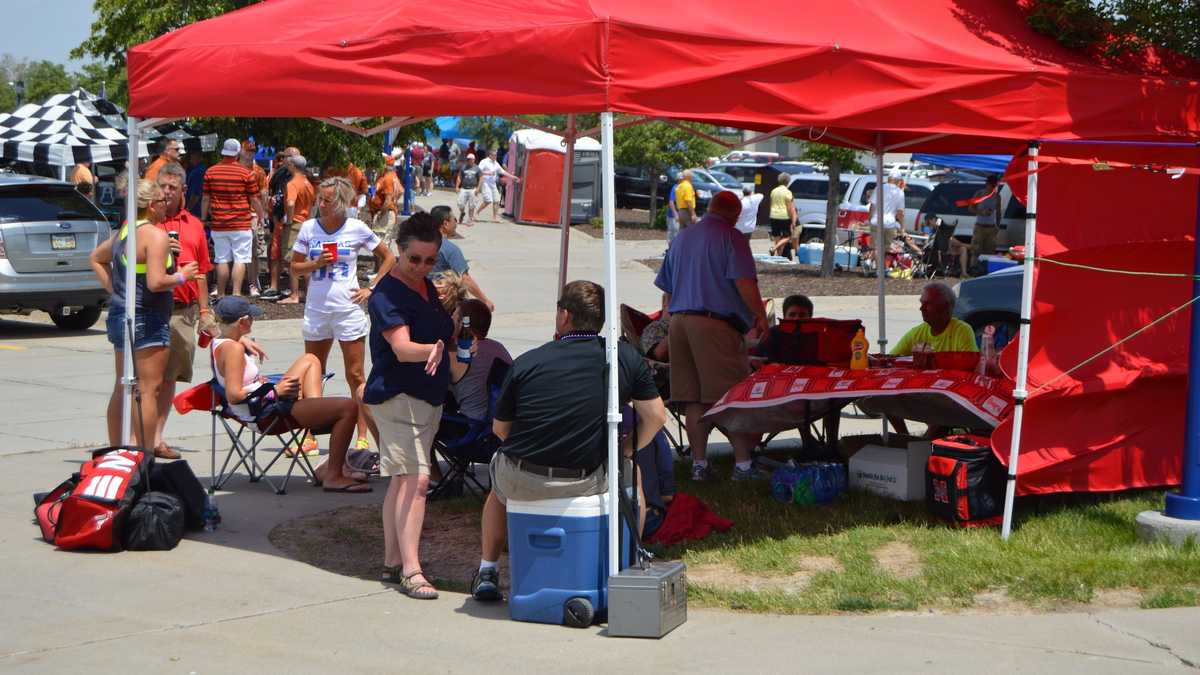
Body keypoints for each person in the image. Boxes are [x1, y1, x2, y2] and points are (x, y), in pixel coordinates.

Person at [470, 280, 667, 601]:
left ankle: (488, 571)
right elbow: (656, 416)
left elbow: (501, 430)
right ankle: (630, 564)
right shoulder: (622, 358)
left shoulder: (527, 362)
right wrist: (628, 450)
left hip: (523, 478)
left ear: (564, 315)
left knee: (497, 488)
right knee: (635, 474)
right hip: (585, 479)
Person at [362, 211, 455, 600]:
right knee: (417, 481)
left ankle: (391, 561)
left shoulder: (426, 288)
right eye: (414, 259)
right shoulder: (387, 294)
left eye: (430, 260)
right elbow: (401, 348)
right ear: (398, 251)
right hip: (397, 395)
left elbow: (440, 333)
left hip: (426, 397)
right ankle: (412, 571)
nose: (421, 267)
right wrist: (431, 349)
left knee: (403, 480)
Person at [654, 190, 769, 482]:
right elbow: (745, 283)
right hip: (714, 324)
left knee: (693, 400)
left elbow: (666, 289)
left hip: (679, 323)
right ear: (734, 214)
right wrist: (759, 316)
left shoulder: (682, 237)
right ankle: (743, 466)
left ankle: (699, 465)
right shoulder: (732, 238)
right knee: (731, 397)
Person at [209, 296, 366, 492]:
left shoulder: (220, 341)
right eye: (251, 318)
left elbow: (212, 329)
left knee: (311, 359)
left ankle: (315, 416)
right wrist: (274, 391)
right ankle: (333, 475)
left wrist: (241, 338)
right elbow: (234, 395)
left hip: (260, 403)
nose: (253, 321)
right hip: (263, 413)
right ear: (242, 322)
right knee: (348, 407)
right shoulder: (232, 349)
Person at [90, 179, 199, 454]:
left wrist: (117, 289)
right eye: (162, 201)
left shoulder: (125, 232)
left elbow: (96, 258)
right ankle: (143, 453)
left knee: (122, 385)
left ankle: (117, 451)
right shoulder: (155, 235)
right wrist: (181, 276)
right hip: (148, 316)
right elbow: (155, 282)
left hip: (120, 312)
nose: (166, 205)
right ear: (151, 206)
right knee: (149, 389)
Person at [290, 176, 396, 452]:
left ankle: (362, 435)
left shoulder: (356, 227)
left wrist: (371, 288)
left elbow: (389, 257)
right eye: (319, 199)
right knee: (313, 371)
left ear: (341, 203)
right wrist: (316, 262)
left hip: (348, 309)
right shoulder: (309, 228)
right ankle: (309, 435)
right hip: (317, 308)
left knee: (356, 374)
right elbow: (295, 267)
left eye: (326, 200)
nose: (320, 204)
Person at [152, 161, 218, 460]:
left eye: (172, 188)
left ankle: (155, 438)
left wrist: (205, 312)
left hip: (184, 311)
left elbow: (202, 272)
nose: (166, 193)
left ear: (183, 191)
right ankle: (139, 438)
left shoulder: (194, 226)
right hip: (152, 307)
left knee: (169, 378)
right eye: (162, 187)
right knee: (147, 378)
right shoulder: (148, 223)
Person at [202, 138, 259, 298]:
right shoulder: (246, 173)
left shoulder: (210, 172)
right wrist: (262, 215)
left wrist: (203, 218)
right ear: (237, 152)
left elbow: (206, 198)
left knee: (221, 259)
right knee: (241, 258)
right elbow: (255, 199)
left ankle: (220, 293)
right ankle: (236, 293)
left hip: (219, 223)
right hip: (241, 223)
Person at [448, 299, 511, 422]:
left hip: (469, 426)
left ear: (462, 324)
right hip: (498, 424)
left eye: (453, 317)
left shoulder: (455, 354)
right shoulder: (498, 347)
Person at [429, 205, 495, 311]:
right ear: (445, 224)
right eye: (454, 219)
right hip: (444, 304)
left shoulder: (422, 244)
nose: (456, 223)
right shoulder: (450, 249)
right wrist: (485, 300)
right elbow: (465, 279)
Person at [890, 282, 978, 357]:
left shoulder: (962, 331)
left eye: (928, 304)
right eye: (922, 303)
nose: (921, 308)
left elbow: (971, 366)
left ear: (945, 306)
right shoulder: (917, 334)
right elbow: (891, 359)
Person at [276, 156, 316, 304]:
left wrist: (289, 220)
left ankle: (294, 295)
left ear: (292, 165)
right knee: (305, 260)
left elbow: (291, 203)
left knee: (293, 260)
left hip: (295, 224)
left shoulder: (292, 183)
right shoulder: (308, 182)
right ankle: (309, 293)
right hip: (306, 223)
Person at [265, 147, 299, 300]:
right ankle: (274, 286)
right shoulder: (279, 175)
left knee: (294, 255)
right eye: (287, 157)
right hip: (278, 219)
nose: (289, 160)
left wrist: (290, 220)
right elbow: (272, 194)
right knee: (275, 252)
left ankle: (295, 291)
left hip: (295, 221)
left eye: (293, 157)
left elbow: (295, 203)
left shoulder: (301, 177)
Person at [239, 140, 269, 298]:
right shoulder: (235, 169)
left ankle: (253, 282)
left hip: (252, 215)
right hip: (237, 214)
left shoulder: (258, 171)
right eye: (247, 150)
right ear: (241, 151)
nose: (250, 153)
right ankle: (239, 283)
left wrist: (262, 214)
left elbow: (264, 193)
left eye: (252, 150)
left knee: (253, 251)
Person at [474, 148, 520, 222]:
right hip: (485, 183)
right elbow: (478, 171)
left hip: (493, 184)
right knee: (488, 200)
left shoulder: (495, 163)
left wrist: (512, 177)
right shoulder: (484, 161)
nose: (496, 156)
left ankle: (494, 218)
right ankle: (476, 213)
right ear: (490, 155)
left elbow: (502, 171)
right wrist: (488, 173)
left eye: (496, 155)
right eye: (494, 155)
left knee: (497, 200)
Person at [968, 174, 1002, 267]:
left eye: (995, 186)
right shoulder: (979, 194)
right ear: (987, 184)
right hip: (980, 227)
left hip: (991, 228)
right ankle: (973, 268)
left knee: (990, 251)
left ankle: (985, 269)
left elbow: (998, 212)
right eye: (992, 185)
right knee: (976, 250)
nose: (993, 188)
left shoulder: (997, 196)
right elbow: (970, 208)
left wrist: (998, 225)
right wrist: (981, 212)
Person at [371, 156, 402, 237]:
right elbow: (401, 191)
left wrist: (382, 213)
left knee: (381, 242)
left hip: (386, 213)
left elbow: (387, 200)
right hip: (387, 211)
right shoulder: (393, 175)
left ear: (384, 165)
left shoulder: (388, 178)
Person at [768, 172, 797, 259]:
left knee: (777, 237)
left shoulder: (773, 191)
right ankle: (774, 249)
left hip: (773, 215)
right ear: (788, 181)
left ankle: (778, 256)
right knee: (788, 237)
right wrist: (793, 221)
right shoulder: (788, 192)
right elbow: (790, 208)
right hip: (784, 216)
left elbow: (770, 204)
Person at [456, 153, 482, 225]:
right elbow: (459, 177)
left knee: (472, 205)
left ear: (474, 160)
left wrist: (478, 188)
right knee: (460, 204)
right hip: (464, 188)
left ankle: (470, 219)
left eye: (471, 159)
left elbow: (481, 178)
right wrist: (457, 186)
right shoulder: (463, 167)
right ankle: (462, 213)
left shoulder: (477, 168)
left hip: (473, 189)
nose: (469, 161)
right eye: (468, 159)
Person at [184, 152, 207, 218]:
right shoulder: (199, 169)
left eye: (191, 155)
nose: (189, 158)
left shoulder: (198, 172)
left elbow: (196, 194)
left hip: (195, 210)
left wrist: (187, 210)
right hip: (197, 209)